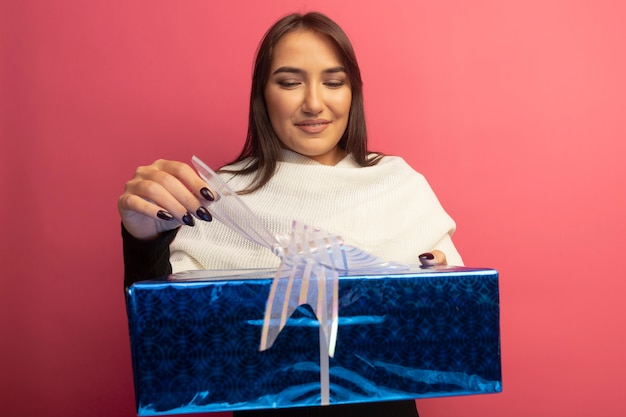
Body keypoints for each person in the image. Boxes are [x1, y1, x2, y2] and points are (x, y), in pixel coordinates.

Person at [119, 11, 463, 417]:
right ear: (263, 94)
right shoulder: (220, 197)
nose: (314, 103)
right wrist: (143, 238)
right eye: (289, 82)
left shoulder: (399, 183)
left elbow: (449, 341)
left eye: (334, 82)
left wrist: (441, 298)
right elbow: (171, 340)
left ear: (353, 93)